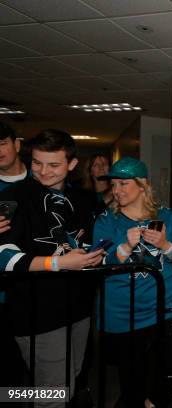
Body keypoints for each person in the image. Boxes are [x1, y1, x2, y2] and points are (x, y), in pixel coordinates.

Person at [0, 129, 104, 405]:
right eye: (37, 163)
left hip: (79, 309)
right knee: (53, 393)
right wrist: (59, 262)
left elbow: (92, 244)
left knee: (68, 383)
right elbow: (4, 257)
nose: (43, 171)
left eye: (54, 164)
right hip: (37, 313)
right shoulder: (13, 196)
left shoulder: (84, 199)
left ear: (72, 165)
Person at [94, 157, 172, 408]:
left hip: (165, 302)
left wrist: (165, 245)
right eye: (114, 185)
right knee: (133, 384)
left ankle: (154, 401)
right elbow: (96, 264)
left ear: (142, 185)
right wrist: (125, 247)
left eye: (123, 184)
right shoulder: (107, 220)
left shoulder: (165, 216)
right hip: (123, 311)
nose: (117, 190)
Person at [0, 122, 28, 386]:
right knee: (8, 372)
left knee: (43, 370)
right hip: (3, 293)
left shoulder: (44, 178)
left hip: (39, 291)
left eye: (2, 143)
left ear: (16, 144)